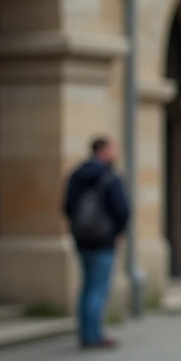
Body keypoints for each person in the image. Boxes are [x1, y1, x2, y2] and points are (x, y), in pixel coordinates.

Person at [63, 136, 130, 349]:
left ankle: (85, 332)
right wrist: (117, 232)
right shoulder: (109, 176)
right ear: (103, 150)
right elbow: (122, 210)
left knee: (86, 286)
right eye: (113, 148)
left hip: (82, 240)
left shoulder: (76, 174)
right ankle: (93, 336)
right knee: (98, 288)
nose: (116, 152)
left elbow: (66, 207)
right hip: (103, 240)